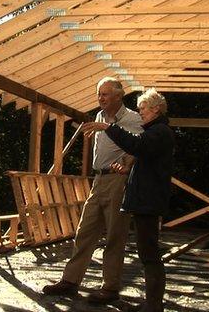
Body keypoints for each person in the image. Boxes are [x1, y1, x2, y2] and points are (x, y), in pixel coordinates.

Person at [42, 77, 143, 303]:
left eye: (105, 94)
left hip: (119, 180)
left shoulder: (133, 119)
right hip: (98, 180)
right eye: (99, 94)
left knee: (115, 235)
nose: (100, 98)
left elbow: (138, 147)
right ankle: (70, 281)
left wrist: (127, 163)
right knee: (84, 230)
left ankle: (110, 288)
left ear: (119, 96)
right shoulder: (99, 116)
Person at [82, 88, 174, 312]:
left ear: (155, 109)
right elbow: (145, 163)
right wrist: (126, 171)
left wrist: (108, 127)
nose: (140, 112)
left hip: (148, 201)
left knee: (150, 255)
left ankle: (153, 307)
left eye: (143, 108)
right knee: (147, 253)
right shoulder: (156, 131)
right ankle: (151, 304)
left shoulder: (160, 131)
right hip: (146, 200)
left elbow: (136, 146)